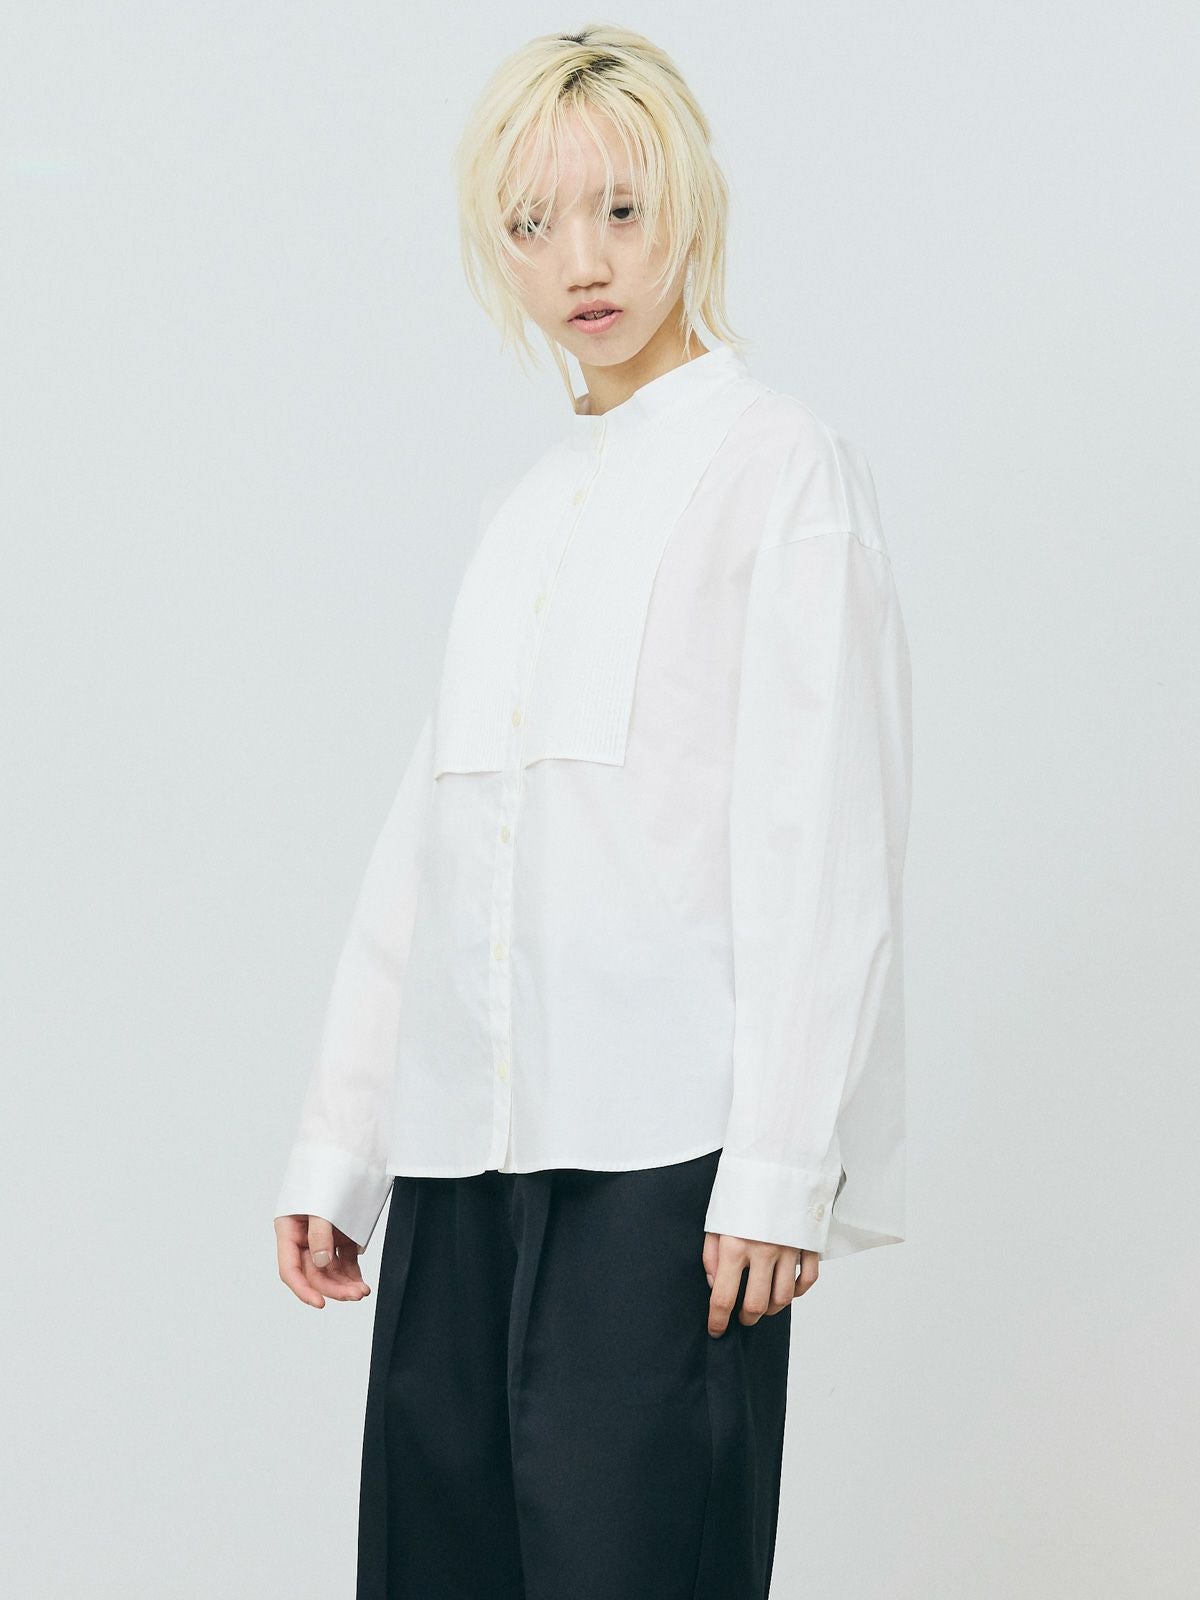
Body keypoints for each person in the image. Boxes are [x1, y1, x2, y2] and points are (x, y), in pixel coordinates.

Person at [272, 23, 912, 1600]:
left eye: (622, 209)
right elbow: (425, 851)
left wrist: (780, 1162)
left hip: (662, 1166)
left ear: (690, 202)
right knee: (436, 1569)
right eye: (534, 223)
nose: (584, 260)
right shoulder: (523, 512)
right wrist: (345, 1143)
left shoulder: (781, 471)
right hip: (464, 1160)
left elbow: (823, 840)